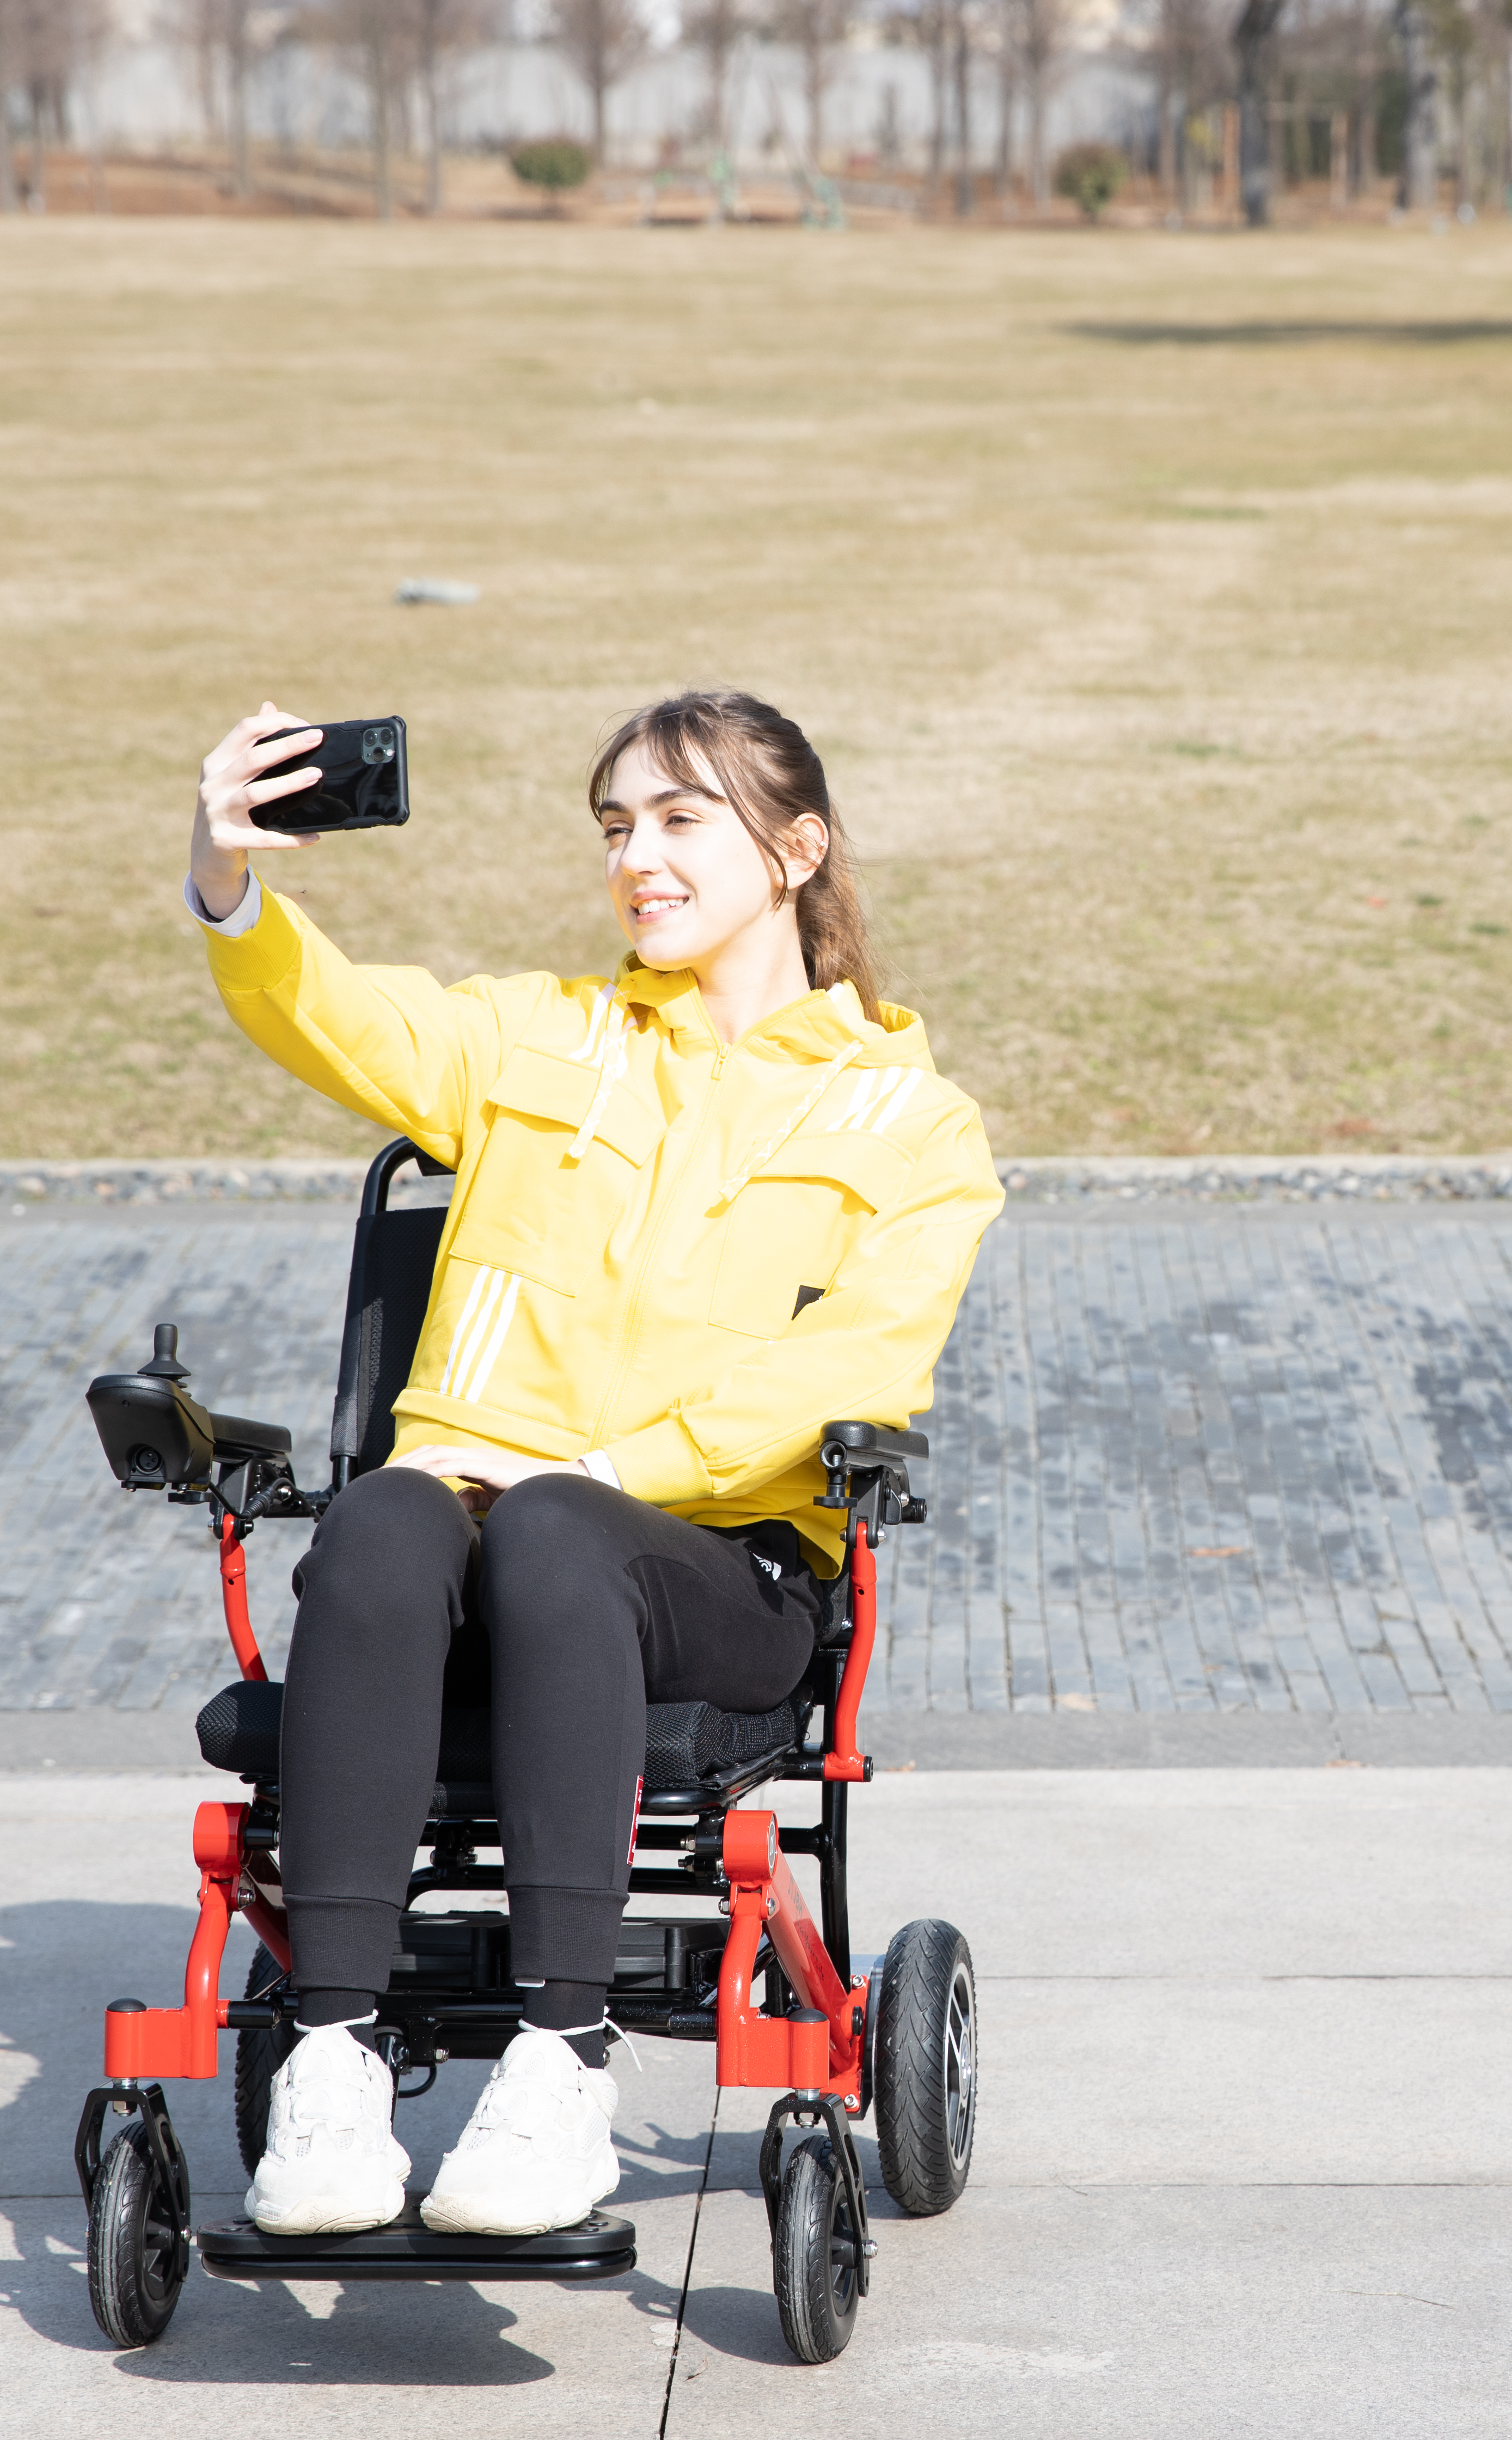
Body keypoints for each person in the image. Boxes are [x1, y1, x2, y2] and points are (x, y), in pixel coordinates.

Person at [181, 690, 1002, 2238]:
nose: (640, 856)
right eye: (617, 826)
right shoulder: (532, 1036)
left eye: (683, 819)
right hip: (474, 1555)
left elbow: (853, 1371)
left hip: (720, 1573)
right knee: (378, 1523)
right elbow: (336, 1015)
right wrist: (229, 877)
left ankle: (561, 2067)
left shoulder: (909, 1121)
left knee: (552, 1520)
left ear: (797, 848)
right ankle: (335, 2065)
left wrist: (594, 1471)